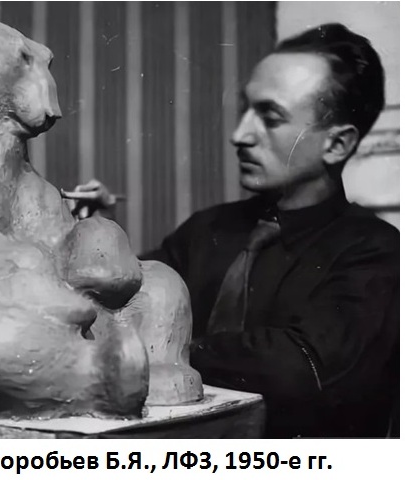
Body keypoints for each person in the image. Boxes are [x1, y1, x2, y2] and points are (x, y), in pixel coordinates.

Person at [63, 23, 399, 438]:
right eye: (245, 110)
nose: (239, 135)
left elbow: (298, 369)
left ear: (337, 144)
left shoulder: (377, 252)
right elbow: (122, 306)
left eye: (270, 118)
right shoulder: (206, 229)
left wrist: (172, 354)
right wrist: (90, 234)